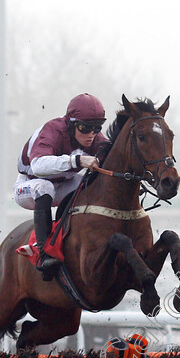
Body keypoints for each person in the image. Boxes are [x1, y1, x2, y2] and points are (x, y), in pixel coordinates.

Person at [13, 93, 108, 280]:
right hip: (28, 186)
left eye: (97, 128)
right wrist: (77, 160)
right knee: (45, 186)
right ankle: (44, 252)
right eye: (85, 128)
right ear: (72, 124)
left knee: (87, 184)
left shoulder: (95, 138)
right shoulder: (53, 130)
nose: (91, 135)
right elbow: (38, 166)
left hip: (62, 185)